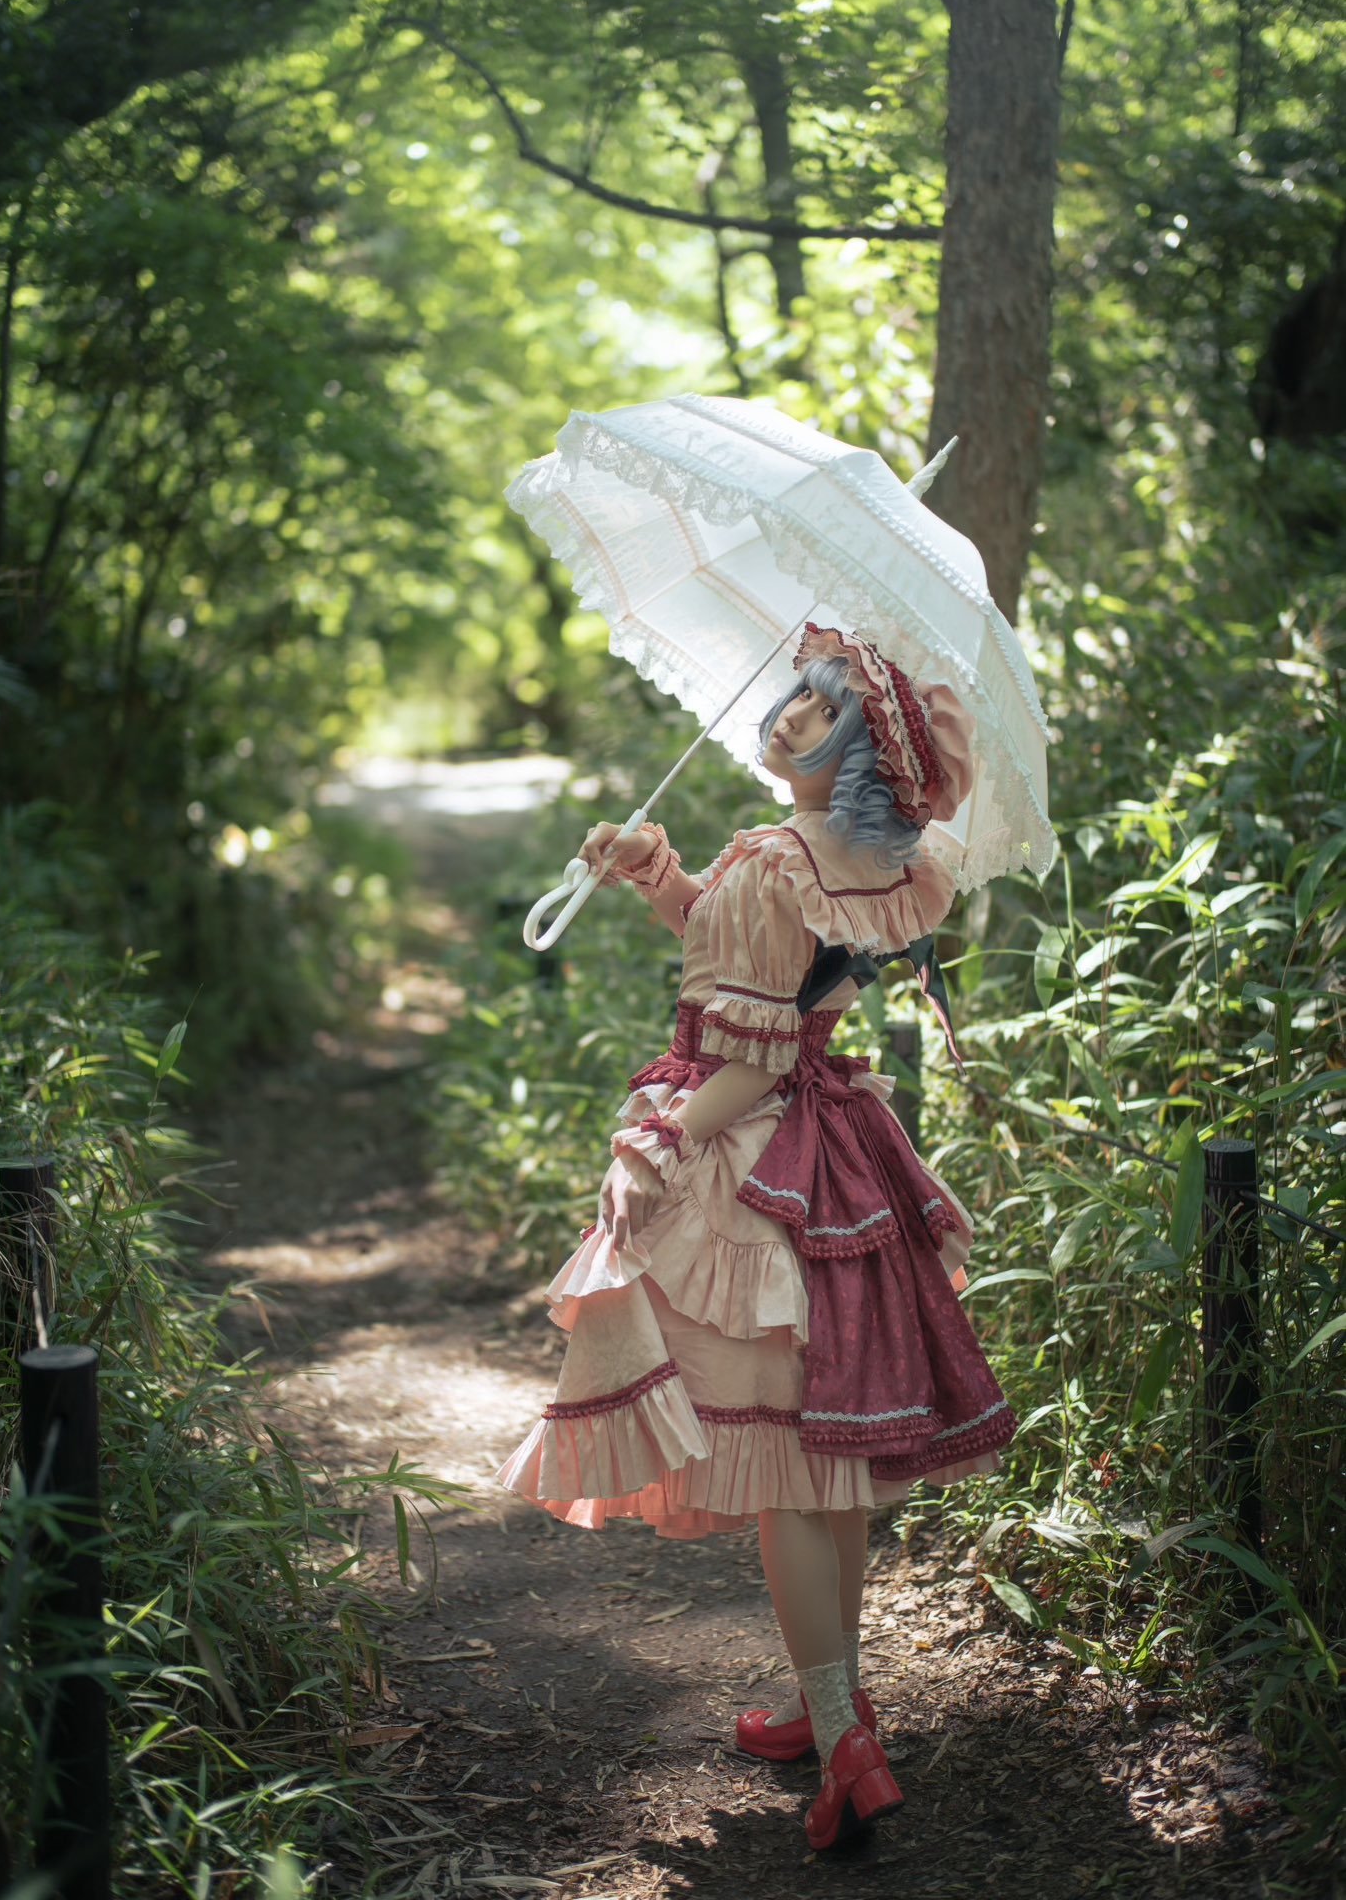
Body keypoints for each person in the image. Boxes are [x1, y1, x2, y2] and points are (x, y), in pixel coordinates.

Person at [498, 623, 1017, 1851]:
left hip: (753, 1154)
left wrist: (660, 1145)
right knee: (827, 1453)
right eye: (797, 697)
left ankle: (844, 1734)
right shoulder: (833, 866)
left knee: (790, 1458)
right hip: (826, 1143)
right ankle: (828, 1694)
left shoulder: (783, 858)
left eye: (822, 716)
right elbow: (758, 970)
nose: (791, 716)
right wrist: (657, 876)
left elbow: (749, 1047)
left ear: (857, 760)